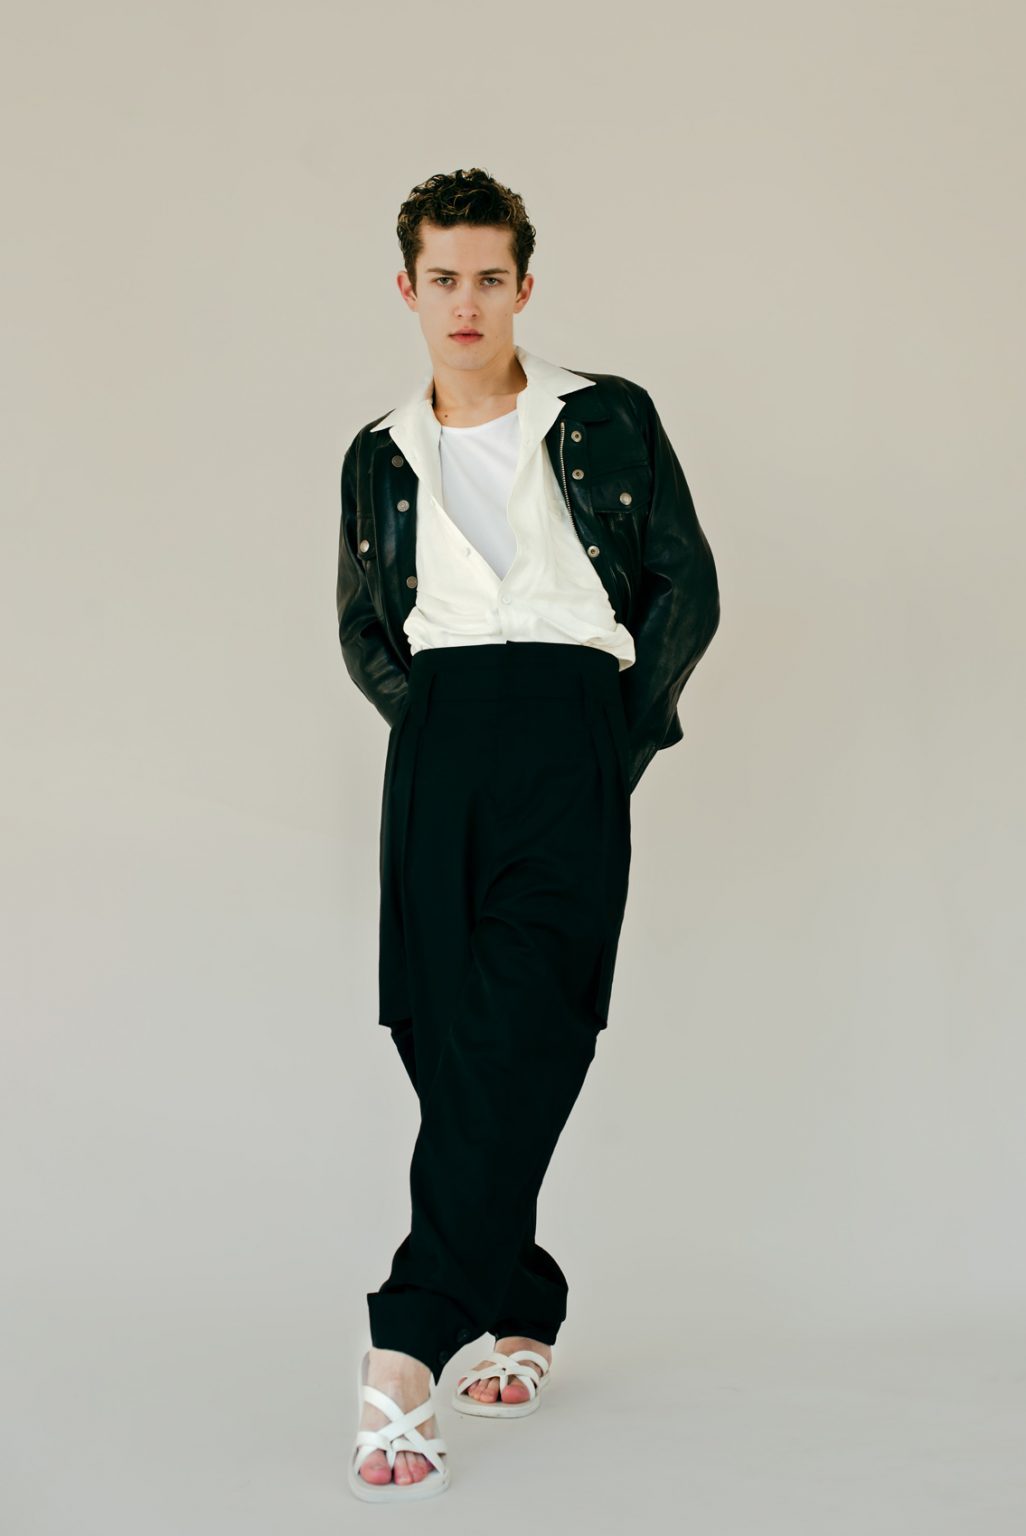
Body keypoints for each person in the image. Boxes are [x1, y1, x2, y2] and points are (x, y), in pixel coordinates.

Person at [337, 167, 720, 1502]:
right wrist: (442, 729)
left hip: (571, 724)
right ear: (408, 289)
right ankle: (520, 1295)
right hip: (439, 740)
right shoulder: (379, 451)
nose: (466, 302)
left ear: (522, 287)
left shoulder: (604, 416)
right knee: (439, 1028)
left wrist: (609, 743)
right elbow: (365, 629)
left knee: (528, 1019)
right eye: (442, 278)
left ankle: (405, 1344)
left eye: (488, 278)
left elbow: (683, 584)